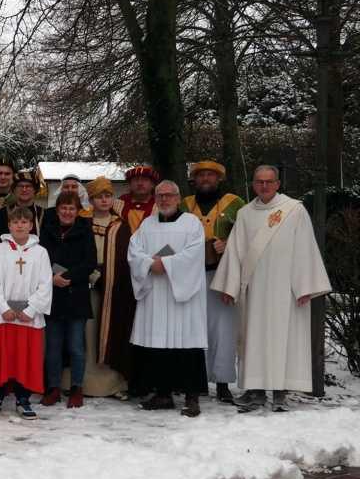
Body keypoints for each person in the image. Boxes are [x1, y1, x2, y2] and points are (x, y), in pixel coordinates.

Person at [211, 165, 331, 413]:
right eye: (259, 182)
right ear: (253, 184)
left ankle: (280, 391)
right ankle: (254, 390)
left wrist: (305, 285)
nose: (264, 186)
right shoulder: (244, 213)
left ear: (277, 184)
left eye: (269, 181)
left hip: (285, 289)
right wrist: (229, 286)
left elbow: (305, 248)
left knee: (283, 338)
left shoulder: (294, 211)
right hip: (253, 288)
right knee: (253, 337)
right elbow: (235, 251)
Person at [128, 180, 208, 417]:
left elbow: (194, 253)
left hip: (183, 294)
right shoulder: (147, 224)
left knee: (187, 343)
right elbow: (134, 252)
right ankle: (163, 394)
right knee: (158, 343)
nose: (164, 200)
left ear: (178, 197)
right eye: (160, 195)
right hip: (155, 292)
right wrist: (150, 264)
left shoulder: (191, 223)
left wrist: (167, 264)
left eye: (169, 195)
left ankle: (191, 396)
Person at [180, 160, 245, 404]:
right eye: (201, 175)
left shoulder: (235, 203)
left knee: (223, 329)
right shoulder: (184, 204)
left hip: (223, 274)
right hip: (191, 276)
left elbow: (248, 236)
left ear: (219, 179)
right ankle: (194, 381)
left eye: (210, 175)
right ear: (194, 180)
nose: (205, 179)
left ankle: (223, 383)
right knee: (192, 329)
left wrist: (228, 244)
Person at [0, 206, 51, 420]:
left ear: (31, 226)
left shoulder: (40, 252)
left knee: (26, 358)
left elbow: (45, 284)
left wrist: (31, 309)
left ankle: (23, 399)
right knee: (1, 358)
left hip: (28, 317)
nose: (20, 225)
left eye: (24, 222)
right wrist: (3, 307)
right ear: (9, 225)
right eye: (15, 222)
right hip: (5, 316)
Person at [39, 192, 97, 408]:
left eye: (71, 208)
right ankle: (53, 387)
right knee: (53, 347)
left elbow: (90, 262)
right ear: (57, 209)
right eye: (63, 207)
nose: (67, 212)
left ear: (78, 210)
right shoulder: (48, 228)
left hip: (76, 296)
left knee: (75, 346)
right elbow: (40, 257)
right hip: (53, 296)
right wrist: (51, 278)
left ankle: (76, 387)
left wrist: (69, 278)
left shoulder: (84, 230)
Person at [85, 177, 133, 398]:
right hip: (88, 283)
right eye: (99, 197)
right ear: (91, 200)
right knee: (89, 331)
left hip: (115, 285)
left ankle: (112, 383)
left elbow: (127, 256)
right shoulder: (83, 222)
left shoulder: (121, 225)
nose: (104, 200)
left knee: (112, 330)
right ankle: (86, 382)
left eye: (107, 196)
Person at [0, 169, 45, 245]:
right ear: (14, 190)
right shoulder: (0, 215)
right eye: (20, 186)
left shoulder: (45, 215)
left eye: (28, 186)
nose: (24, 189)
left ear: (35, 190)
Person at [119, 166, 159, 233]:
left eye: (145, 179)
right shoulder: (119, 203)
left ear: (152, 185)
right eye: (136, 180)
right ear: (130, 184)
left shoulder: (160, 206)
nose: (140, 183)